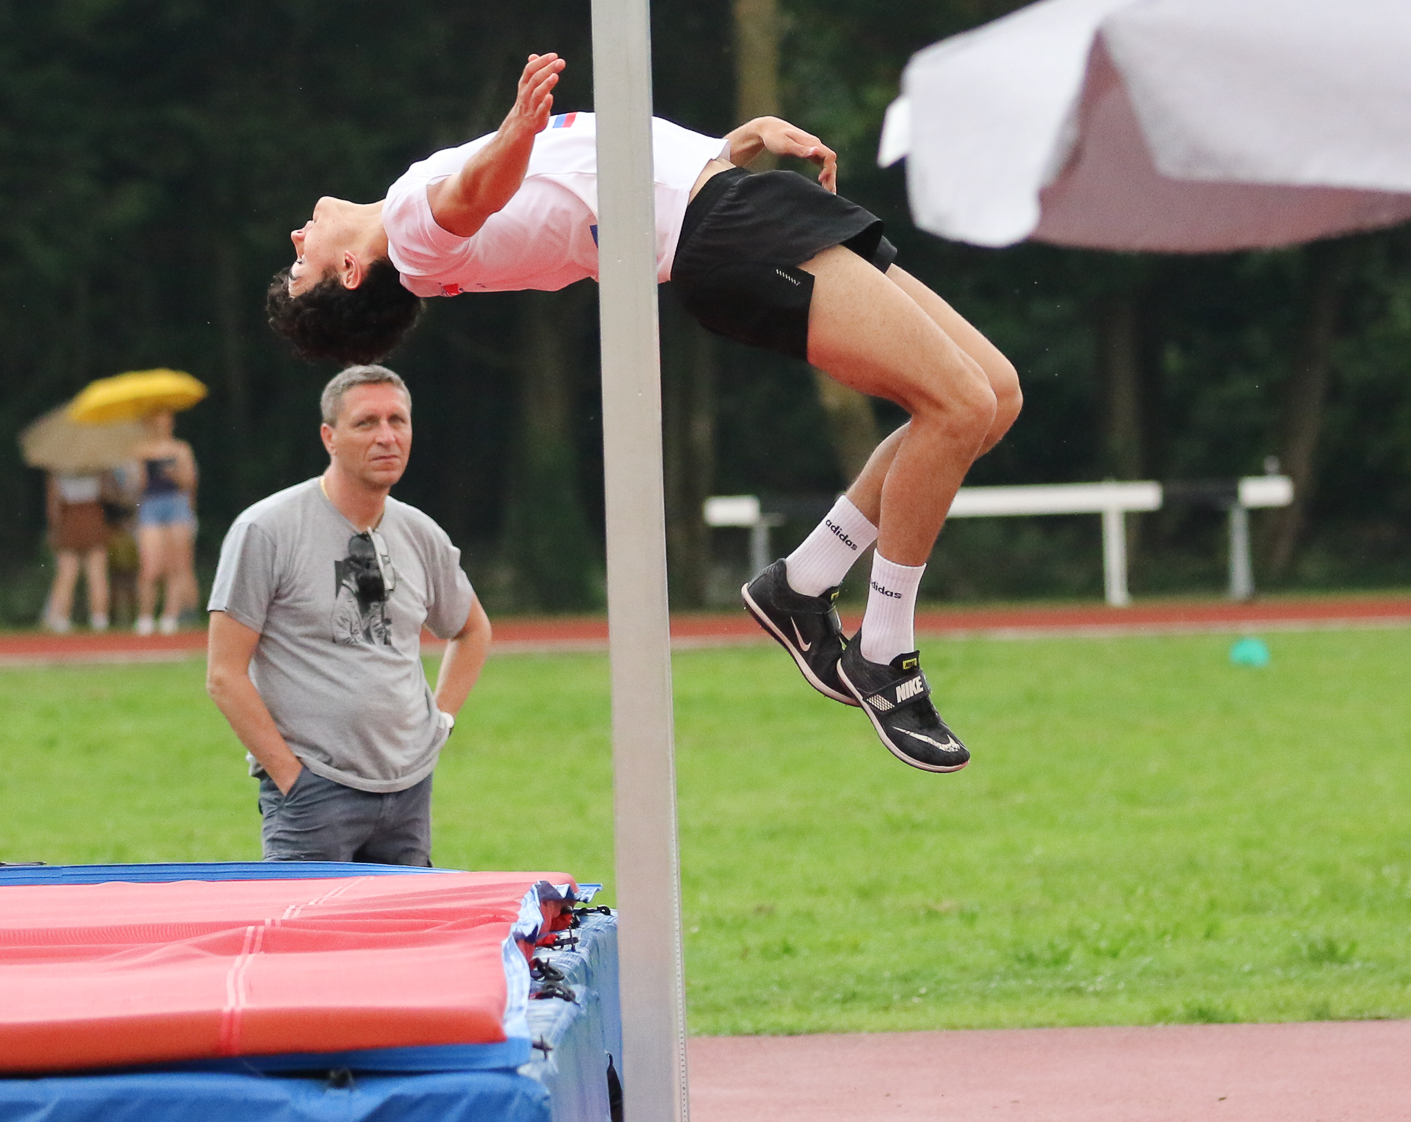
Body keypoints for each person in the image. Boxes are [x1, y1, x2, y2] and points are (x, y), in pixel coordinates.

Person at [265, 53, 1019, 771]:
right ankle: (884, 650)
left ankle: (803, 581)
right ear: (352, 272)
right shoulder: (412, 235)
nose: (298, 236)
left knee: (993, 394)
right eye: (302, 262)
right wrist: (516, 129)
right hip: (725, 231)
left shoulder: (412, 220)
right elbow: (476, 196)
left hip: (727, 202)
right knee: (956, 407)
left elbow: (593, 183)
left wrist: (728, 147)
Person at [204, 364, 492, 863]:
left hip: (408, 790)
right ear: (329, 437)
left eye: (397, 421)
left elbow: (471, 630)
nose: (386, 437)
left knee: (404, 918)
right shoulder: (266, 530)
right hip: (314, 792)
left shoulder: (421, 534)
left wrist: (440, 723)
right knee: (306, 918)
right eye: (366, 423)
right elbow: (224, 675)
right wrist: (291, 777)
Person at [132, 411, 200, 635]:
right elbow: (135, 486)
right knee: (150, 567)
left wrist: (174, 474)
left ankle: (170, 616)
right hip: (150, 505)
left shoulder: (180, 449)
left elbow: (189, 483)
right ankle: (145, 617)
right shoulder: (140, 450)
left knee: (176, 565)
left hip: (176, 504)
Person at [40, 464, 123, 633]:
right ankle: (99, 619)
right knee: (97, 573)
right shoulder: (96, 466)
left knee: (66, 574)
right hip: (92, 515)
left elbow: (53, 501)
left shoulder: (58, 469)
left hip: (70, 516)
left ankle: (61, 619)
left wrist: (55, 529)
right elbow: (108, 493)